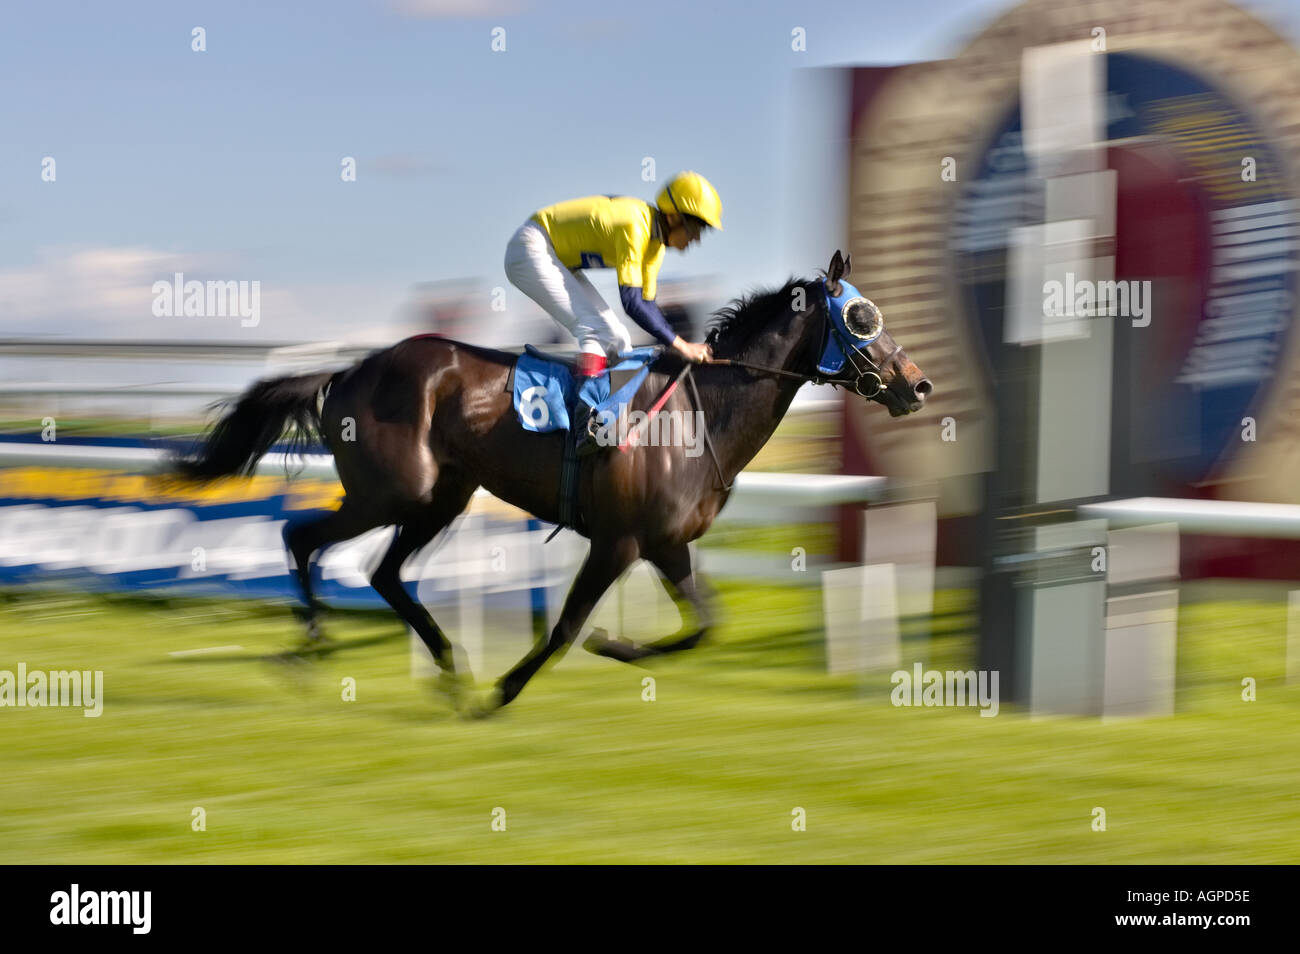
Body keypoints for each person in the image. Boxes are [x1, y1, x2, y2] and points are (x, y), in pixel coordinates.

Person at [504, 171, 721, 377]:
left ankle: (600, 400)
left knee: (618, 340)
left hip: (554, 256)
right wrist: (682, 346)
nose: (696, 239)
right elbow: (631, 303)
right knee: (594, 331)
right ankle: (586, 411)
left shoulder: (655, 247)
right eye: (695, 228)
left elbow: (647, 305)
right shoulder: (635, 224)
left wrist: (679, 344)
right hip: (531, 247)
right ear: (673, 217)